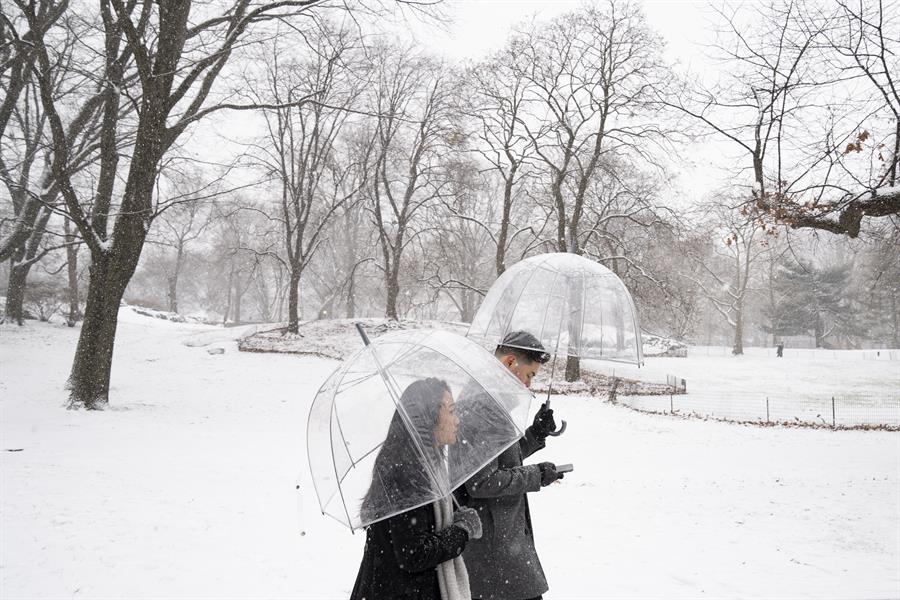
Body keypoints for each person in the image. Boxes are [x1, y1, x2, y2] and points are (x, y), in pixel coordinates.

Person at [351, 377, 482, 600]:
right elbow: (413, 553)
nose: (457, 420)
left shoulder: (429, 464)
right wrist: (461, 530)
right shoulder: (407, 472)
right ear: (428, 418)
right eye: (450, 412)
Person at [458, 331, 563, 600]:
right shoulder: (481, 405)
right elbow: (482, 481)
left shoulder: (491, 400)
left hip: (503, 544)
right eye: (529, 375)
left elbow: (503, 458)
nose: (529, 385)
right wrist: (537, 474)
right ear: (510, 362)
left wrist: (535, 435)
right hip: (494, 550)